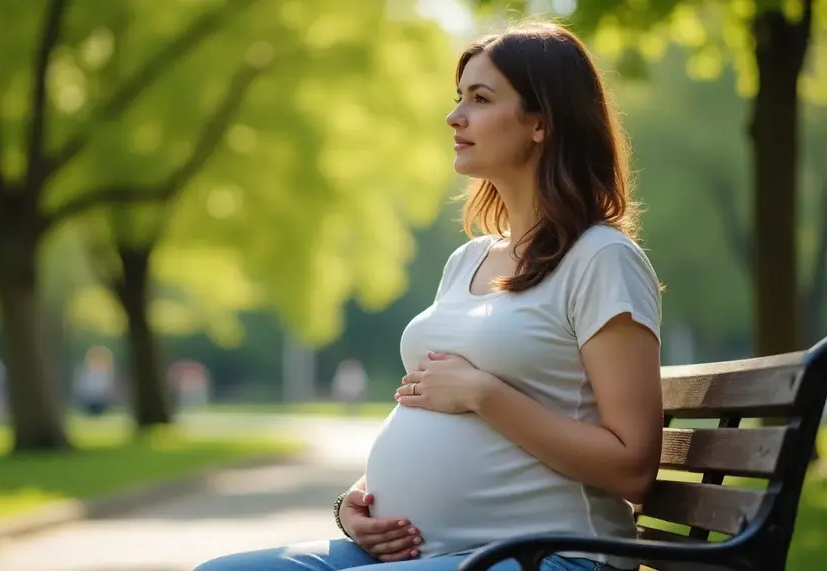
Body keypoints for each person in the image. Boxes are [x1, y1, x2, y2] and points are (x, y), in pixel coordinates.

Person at [195, 20, 663, 571]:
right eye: (458, 97)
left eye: (480, 99)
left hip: (549, 556)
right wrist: (356, 504)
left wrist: (484, 394)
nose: (454, 116)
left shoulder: (601, 259)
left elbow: (633, 467)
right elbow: (433, 409)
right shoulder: (468, 259)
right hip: (422, 553)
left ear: (541, 122)